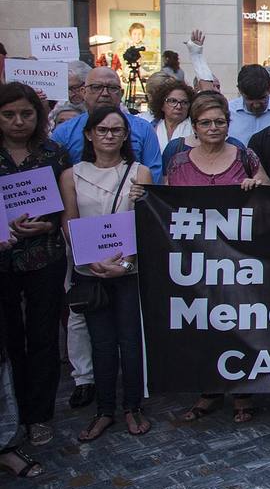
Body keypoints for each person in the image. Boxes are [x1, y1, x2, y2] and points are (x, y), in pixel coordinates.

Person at [166, 93, 267, 426]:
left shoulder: (246, 157)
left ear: (228, 122)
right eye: (205, 123)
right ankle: (209, 392)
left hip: (240, 265)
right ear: (194, 127)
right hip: (197, 265)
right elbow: (166, 208)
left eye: (220, 121)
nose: (213, 128)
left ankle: (243, 394)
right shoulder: (179, 163)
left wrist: (257, 187)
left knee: (240, 326)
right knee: (204, 328)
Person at [57, 105, 152, 441]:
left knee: (130, 340)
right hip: (90, 270)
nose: (109, 136)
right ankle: (104, 410)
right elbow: (69, 220)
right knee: (101, 342)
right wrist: (91, 259)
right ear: (89, 134)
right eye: (102, 130)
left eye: (116, 130)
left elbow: (146, 223)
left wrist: (125, 261)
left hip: (129, 269)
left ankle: (133, 405)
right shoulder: (71, 174)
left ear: (126, 135)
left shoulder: (140, 172)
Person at [0, 84, 70, 447]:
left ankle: (39, 414)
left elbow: (66, 203)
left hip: (44, 255)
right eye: (9, 114)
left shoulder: (53, 153)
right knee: (9, 339)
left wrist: (48, 223)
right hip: (2, 260)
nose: (18, 121)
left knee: (43, 337)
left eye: (26, 114)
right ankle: (13, 414)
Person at [52, 67, 163, 182]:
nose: (105, 93)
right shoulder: (64, 132)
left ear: (121, 94)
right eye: (96, 87)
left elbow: (153, 178)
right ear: (83, 92)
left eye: (112, 88)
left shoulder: (143, 129)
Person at [227, 65, 270, 144]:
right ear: (240, 90)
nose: (256, 105)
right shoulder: (228, 111)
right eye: (250, 99)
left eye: (261, 98)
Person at [145, 77, 193, 150]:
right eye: (173, 101)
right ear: (161, 105)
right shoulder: (151, 127)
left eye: (184, 102)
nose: (179, 106)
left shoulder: (194, 129)